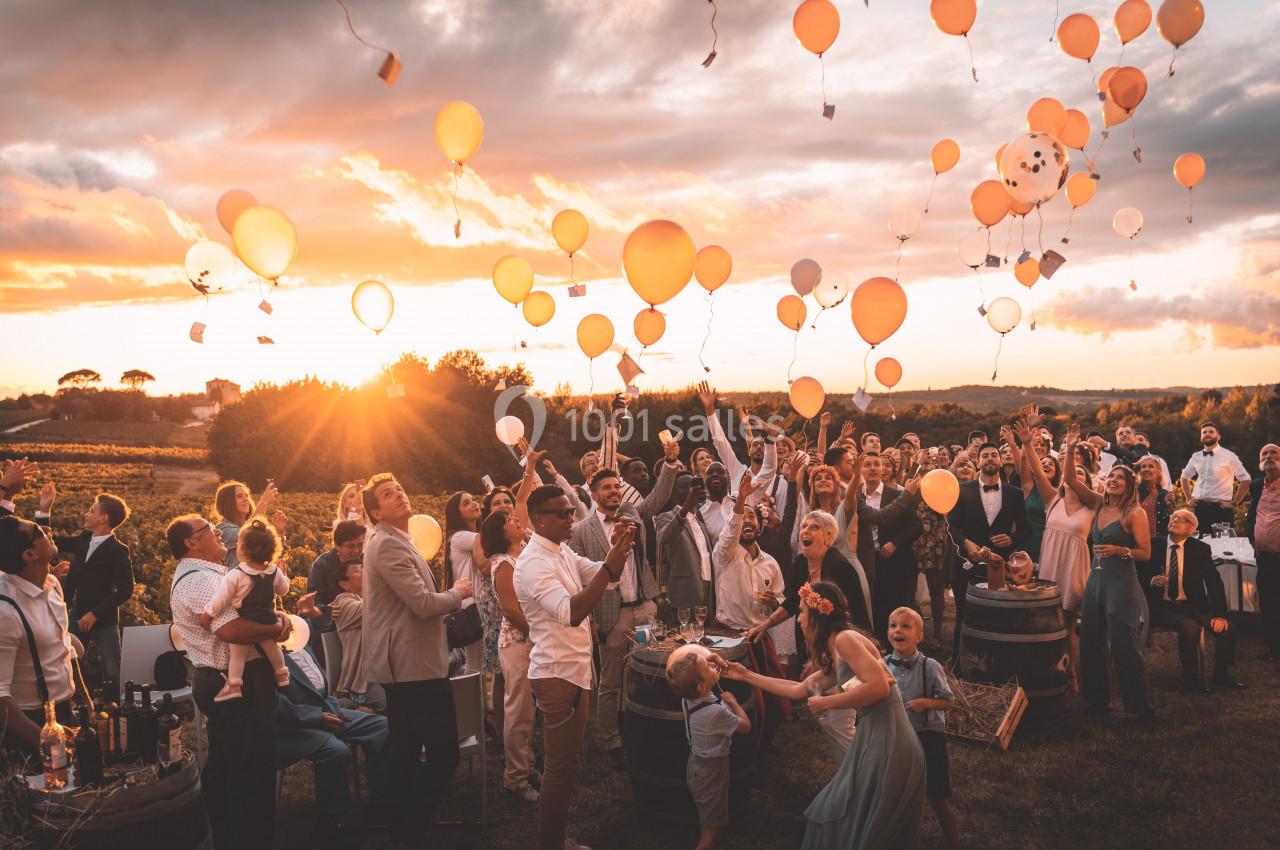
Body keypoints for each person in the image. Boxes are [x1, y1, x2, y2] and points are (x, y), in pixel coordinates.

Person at [731, 582, 925, 849]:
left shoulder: (846, 640)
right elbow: (799, 689)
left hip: (889, 740)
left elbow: (880, 685)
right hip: (875, 736)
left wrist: (829, 703)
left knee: (859, 816)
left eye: (801, 611)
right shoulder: (837, 647)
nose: (798, 618)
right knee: (852, 811)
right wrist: (744, 674)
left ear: (817, 614)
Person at [516, 484, 635, 850]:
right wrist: (609, 568)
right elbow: (571, 611)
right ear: (539, 520)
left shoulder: (560, 550)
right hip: (556, 674)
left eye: (571, 511)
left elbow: (601, 573)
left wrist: (618, 551)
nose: (571, 517)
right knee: (560, 767)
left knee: (566, 764)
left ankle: (554, 839)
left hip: (574, 669)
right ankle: (550, 843)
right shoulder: (534, 563)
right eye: (562, 513)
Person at [361, 473, 473, 850]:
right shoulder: (387, 545)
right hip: (413, 665)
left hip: (407, 663)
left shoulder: (393, 540)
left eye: (400, 490)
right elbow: (424, 605)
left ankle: (401, 829)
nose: (399, 496)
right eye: (388, 495)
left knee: (407, 752)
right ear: (375, 511)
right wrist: (457, 594)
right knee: (444, 755)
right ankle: (410, 828)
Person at [168, 512, 291, 850]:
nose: (219, 531)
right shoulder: (198, 581)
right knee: (248, 774)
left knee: (232, 766)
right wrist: (277, 627)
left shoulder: (213, 573)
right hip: (234, 683)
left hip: (238, 679)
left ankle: (219, 836)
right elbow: (231, 630)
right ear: (191, 542)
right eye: (209, 529)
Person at [570, 436, 678, 765]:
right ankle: (609, 738)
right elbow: (580, 579)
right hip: (612, 616)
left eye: (616, 487)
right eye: (607, 488)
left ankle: (638, 724)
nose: (614, 492)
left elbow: (657, 498)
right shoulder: (582, 532)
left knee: (643, 669)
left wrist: (670, 464)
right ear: (593, 494)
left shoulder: (632, 512)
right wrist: (590, 619)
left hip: (643, 610)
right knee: (611, 679)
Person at [274, 644, 392, 839]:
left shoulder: (300, 640)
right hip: (295, 723)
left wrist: (330, 709)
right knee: (335, 751)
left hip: (327, 710)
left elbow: (319, 688)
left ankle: (380, 806)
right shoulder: (264, 651)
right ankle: (332, 823)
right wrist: (316, 717)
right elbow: (275, 704)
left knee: (382, 727)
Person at [1015, 421, 1095, 692]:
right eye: (1075, 474)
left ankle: (1072, 672)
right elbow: (1037, 471)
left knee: (1070, 625)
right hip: (1051, 565)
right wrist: (1026, 444)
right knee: (1046, 622)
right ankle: (1044, 671)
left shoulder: (1093, 506)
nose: (1077, 478)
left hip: (1074, 567)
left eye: (1082, 475)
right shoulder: (1052, 500)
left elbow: (1071, 476)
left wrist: (1072, 450)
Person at [32, 483, 132, 693]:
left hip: (104, 620)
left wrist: (94, 614)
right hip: (76, 614)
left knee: (113, 673)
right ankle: (83, 711)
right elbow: (51, 543)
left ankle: (119, 717)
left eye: (92, 510)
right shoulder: (84, 539)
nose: (87, 513)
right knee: (68, 665)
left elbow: (126, 590)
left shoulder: (118, 550)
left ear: (104, 518)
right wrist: (44, 511)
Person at [1077, 464, 1156, 717]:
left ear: (1129, 485)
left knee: (1125, 646)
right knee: (1090, 642)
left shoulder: (1134, 513)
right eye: (1111, 475)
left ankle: (1139, 708)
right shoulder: (1099, 503)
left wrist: (1120, 551)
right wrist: (1072, 446)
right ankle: (1098, 701)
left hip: (1121, 584)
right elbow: (1070, 480)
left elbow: (1145, 553)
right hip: (1095, 581)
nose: (1113, 480)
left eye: (1120, 478)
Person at [1142, 510, 1246, 691]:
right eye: (1173, 517)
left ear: (1191, 529)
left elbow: (1214, 582)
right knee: (1189, 628)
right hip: (1163, 607)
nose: (1175, 519)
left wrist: (1220, 614)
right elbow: (1137, 573)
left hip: (1192, 606)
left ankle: (1221, 674)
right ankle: (1190, 677)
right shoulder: (1154, 545)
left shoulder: (1200, 549)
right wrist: (1151, 580)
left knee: (1228, 629)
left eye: (1182, 519)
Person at [946, 443, 1031, 661]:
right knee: (964, 614)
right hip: (967, 563)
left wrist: (1011, 538)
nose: (991, 458)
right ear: (978, 462)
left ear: (1001, 461)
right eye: (985, 456)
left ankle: (994, 664)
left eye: (995, 455)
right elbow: (952, 526)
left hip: (998, 565)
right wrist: (966, 544)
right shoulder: (961, 490)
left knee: (997, 616)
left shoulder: (1015, 494)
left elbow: (1026, 528)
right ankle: (959, 664)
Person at [0, 514, 76, 759]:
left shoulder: (52, 583)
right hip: (29, 726)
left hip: (65, 709)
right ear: (29, 555)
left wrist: (84, 703)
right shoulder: (6, 612)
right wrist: (45, 741)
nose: (46, 530)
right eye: (38, 532)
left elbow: (65, 649)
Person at [665, 645, 751, 850]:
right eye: (708, 668)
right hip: (711, 773)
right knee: (711, 832)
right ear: (701, 687)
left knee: (710, 816)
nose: (713, 666)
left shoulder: (688, 699)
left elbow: (697, 670)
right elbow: (745, 727)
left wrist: (709, 660)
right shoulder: (715, 713)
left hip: (696, 766)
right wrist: (734, 702)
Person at [886, 607, 958, 850]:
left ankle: (953, 842)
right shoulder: (883, 665)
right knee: (899, 795)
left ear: (919, 636)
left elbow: (948, 701)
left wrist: (926, 703)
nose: (898, 630)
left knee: (938, 796)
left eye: (906, 626)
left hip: (928, 738)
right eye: (893, 625)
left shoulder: (930, 666)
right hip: (898, 739)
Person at [746, 510, 871, 649]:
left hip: (839, 644)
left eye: (814, 527)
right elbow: (792, 602)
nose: (806, 531)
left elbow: (853, 615)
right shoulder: (801, 562)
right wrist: (765, 625)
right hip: (808, 643)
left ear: (828, 537)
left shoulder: (839, 567)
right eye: (804, 526)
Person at [481, 508, 540, 802]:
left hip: (531, 640)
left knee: (530, 710)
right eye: (510, 521)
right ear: (501, 533)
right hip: (518, 643)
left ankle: (527, 765)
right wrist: (538, 632)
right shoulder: (503, 563)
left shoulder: (524, 553)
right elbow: (510, 609)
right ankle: (514, 778)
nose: (517, 522)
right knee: (518, 712)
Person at [200, 518, 291, 702]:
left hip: (247, 620)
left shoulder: (236, 575)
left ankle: (234, 685)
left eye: (239, 543)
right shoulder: (273, 571)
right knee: (272, 647)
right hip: (268, 617)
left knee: (237, 654)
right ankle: (282, 675)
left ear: (244, 550)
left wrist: (208, 615)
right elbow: (283, 590)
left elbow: (220, 599)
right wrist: (284, 575)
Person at [856, 452, 922, 632]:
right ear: (860, 469)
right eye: (867, 465)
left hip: (893, 560)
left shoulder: (897, 495)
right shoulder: (855, 497)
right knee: (869, 606)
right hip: (865, 560)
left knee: (893, 607)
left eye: (877, 464)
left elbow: (916, 527)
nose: (873, 468)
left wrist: (895, 543)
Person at [306, 519, 365, 663]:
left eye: (360, 545)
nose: (356, 551)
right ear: (337, 546)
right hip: (329, 632)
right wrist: (325, 610)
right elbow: (314, 601)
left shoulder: (365, 560)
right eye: (351, 546)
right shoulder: (322, 565)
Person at [655, 472, 713, 609]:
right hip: (684, 595)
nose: (690, 491)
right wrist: (686, 507)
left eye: (692, 486)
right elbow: (665, 538)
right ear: (674, 493)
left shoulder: (701, 521)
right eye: (684, 487)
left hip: (709, 592)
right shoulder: (665, 517)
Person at [1179, 421, 1250, 533]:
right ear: (1201, 437)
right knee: (1201, 545)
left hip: (1221, 509)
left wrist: (1234, 503)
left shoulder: (1229, 456)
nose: (1207, 434)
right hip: (1200, 508)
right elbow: (1184, 477)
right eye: (1204, 432)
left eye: (1211, 432)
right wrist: (1188, 498)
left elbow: (1245, 479)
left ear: (1218, 436)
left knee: (1223, 546)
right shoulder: (1196, 456)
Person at [1245, 443, 1280, 663]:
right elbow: (1253, 515)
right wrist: (1251, 537)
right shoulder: (1257, 486)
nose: (1268, 456)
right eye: (1264, 454)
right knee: (1268, 605)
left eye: (1273, 453)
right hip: (1265, 558)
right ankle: (1275, 651)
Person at [443, 490, 484, 673]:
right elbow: (493, 539)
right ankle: (472, 701)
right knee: (475, 665)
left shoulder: (473, 535)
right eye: (466, 503)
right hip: (472, 606)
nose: (474, 503)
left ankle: (477, 700)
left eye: (474, 499)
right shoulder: (460, 537)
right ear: (457, 514)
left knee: (480, 664)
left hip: (479, 602)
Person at [212, 479, 287, 568]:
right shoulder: (223, 529)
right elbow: (250, 536)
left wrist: (278, 531)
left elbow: (272, 554)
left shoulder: (246, 526)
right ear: (227, 502)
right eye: (239, 496)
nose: (246, 499)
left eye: (247, 496)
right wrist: (264, 502)